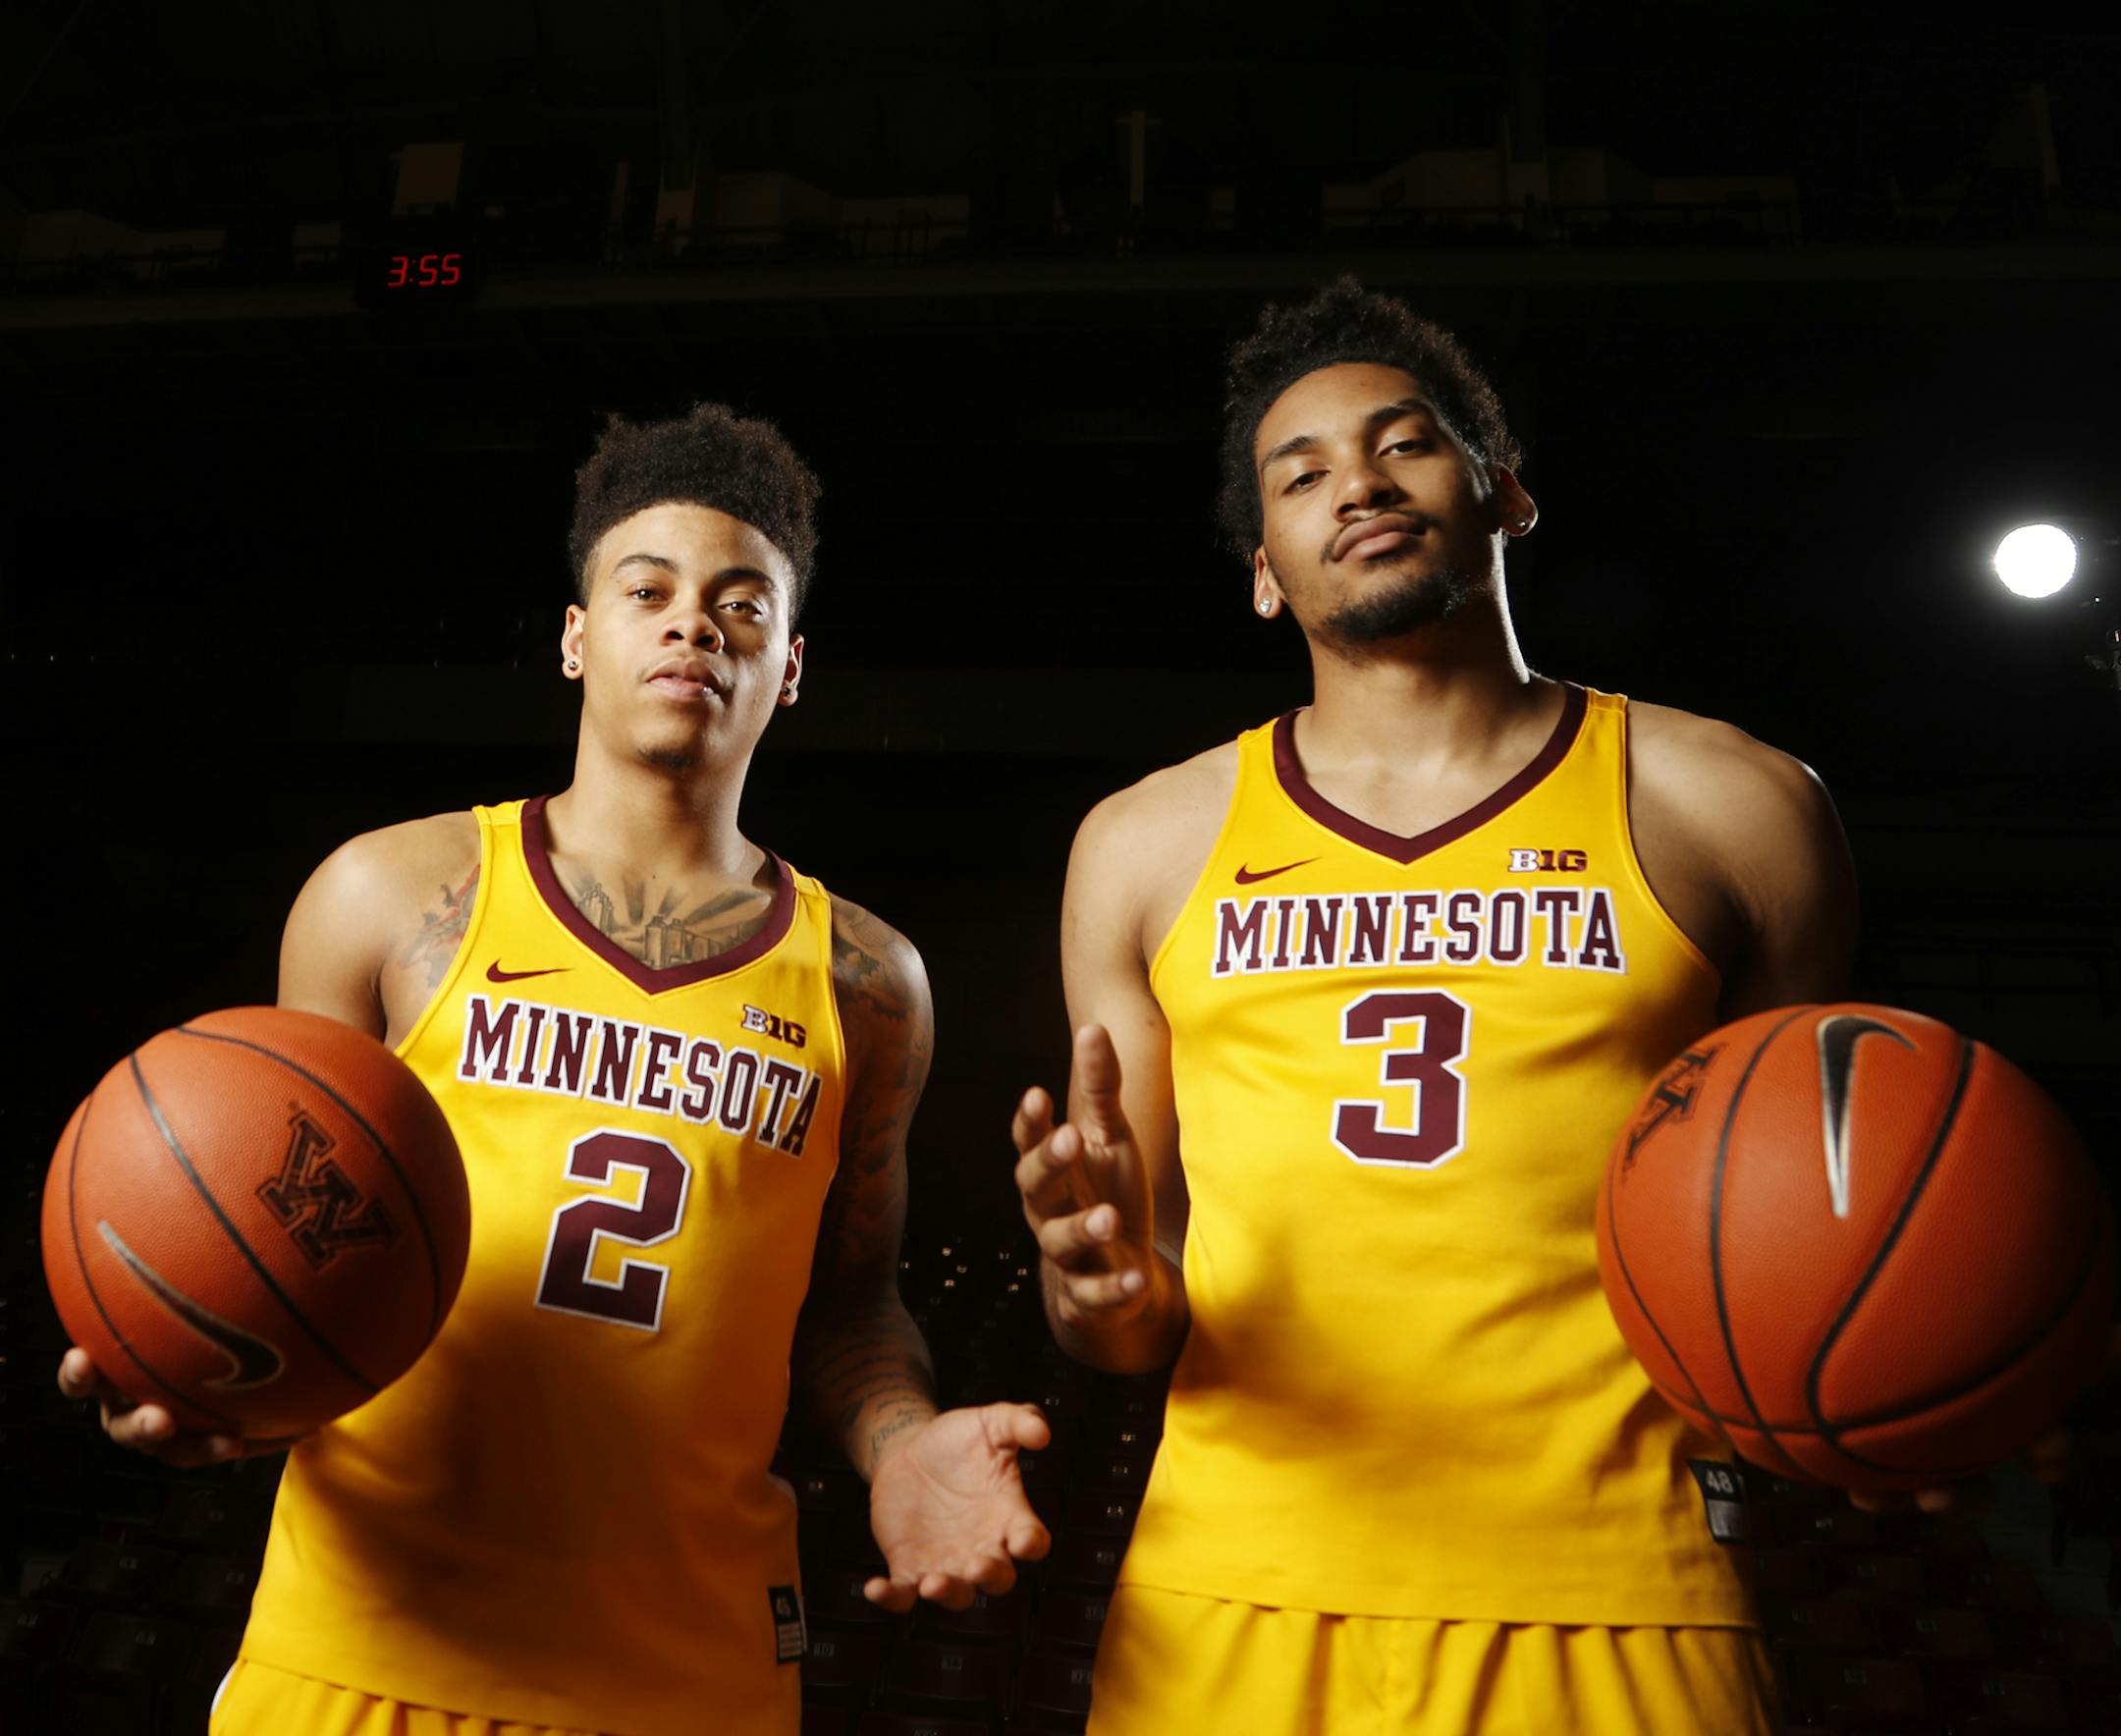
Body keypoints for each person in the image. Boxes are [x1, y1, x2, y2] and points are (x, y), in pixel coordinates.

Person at [58, 402, 1050, 1736]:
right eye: (649, 591)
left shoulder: (871, 984)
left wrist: (899, 1438)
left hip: (681, 1682)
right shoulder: (386, 896)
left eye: (742, 604)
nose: (694, 623)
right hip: (365, 1649)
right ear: (580, 638)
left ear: (791, 666)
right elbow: (289, 1245)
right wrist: (230, 1387)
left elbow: (851, 1307)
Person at [1012, 280, 1862, 1733]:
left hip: (1624, 1583)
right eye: (1303, 472)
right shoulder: (1145, 845)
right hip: (1233, 1585)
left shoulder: (1734, 807)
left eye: (1403, 444)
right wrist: (1097, 1285)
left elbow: (1823, 1224)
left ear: (1504, 493)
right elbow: (1129, 1319)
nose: (1356, 483)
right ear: (1265, 569)